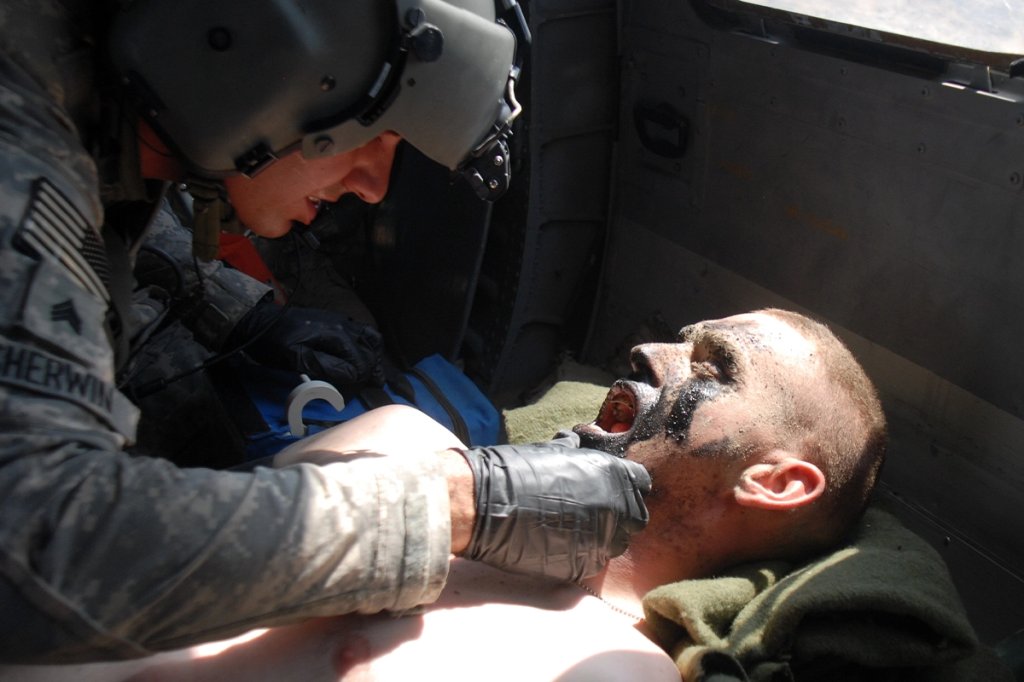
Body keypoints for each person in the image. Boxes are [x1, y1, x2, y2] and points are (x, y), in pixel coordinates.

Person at [0, 0, 653, 662]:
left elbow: (100, 225)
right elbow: (33, 546)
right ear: (257, 53)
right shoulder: (17, 146)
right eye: (377, 137)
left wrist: (235, 312)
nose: (372, 188)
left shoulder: (83, 86)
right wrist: (454, 508)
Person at [0, 308, 885, 681]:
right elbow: (98, 538)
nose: (652, 355)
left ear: (775, 481)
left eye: (713, 367)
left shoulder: (605, 670)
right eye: (678, 338)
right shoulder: (406, 442)